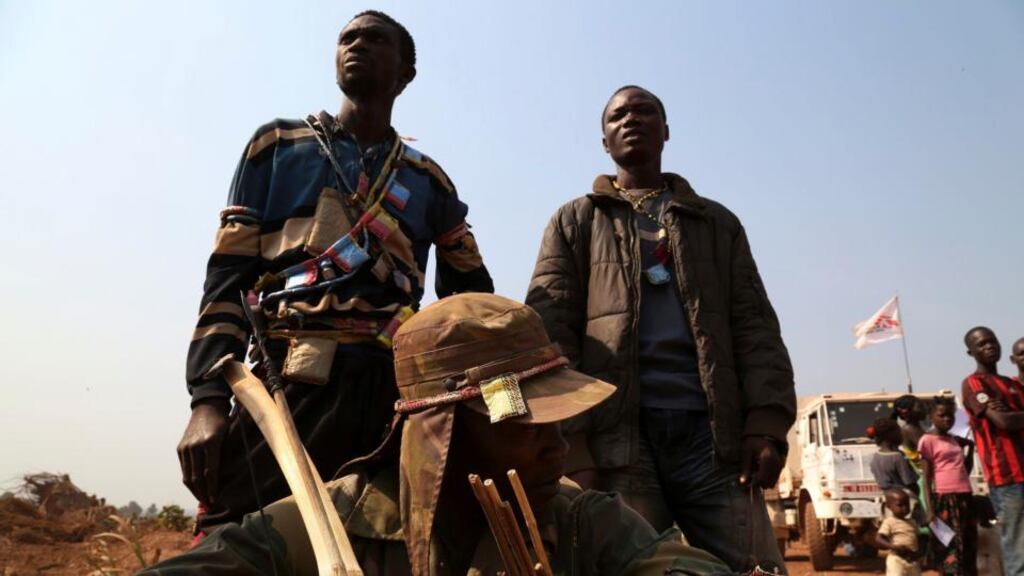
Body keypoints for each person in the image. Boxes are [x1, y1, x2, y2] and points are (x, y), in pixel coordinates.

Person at [144, 294, 740, 575]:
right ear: (441, 433)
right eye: (525, 422)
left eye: (560, 420)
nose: (558, 447)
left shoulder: (582, 522)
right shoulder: (325, 528)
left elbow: (680, 568)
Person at [177, 10, 494, 533]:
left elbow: (472, 305)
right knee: (239, 539)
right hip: (290, 379)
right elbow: (227, 280)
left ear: (405, 74)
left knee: (387, 546)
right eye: (347, 37)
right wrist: (207, 400)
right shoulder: (274, 146)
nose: (356, 45)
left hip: (392, 402)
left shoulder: (428, 180)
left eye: (374, 39)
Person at [525, 85, 795, 572]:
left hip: (715, 444)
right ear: (604, 141)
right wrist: (574, 445)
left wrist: (766, 426)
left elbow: (755, 327)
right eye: (618, 115)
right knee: (633, 569)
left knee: (758, 568)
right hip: (619, 442)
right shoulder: (574, 222)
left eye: (645, 111)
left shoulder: (716, 223)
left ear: (666, 131)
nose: (632, 119)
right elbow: (550, 339)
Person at [961, 327, 1024, 575]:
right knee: (1017, 546)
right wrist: (1007, 416)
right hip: (1007, 476)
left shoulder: (1011, 384)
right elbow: (1004, 423)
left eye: (992, 341)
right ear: (971, 352)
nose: (989, 346)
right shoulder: (974, 383)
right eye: (982, 344)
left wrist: (1011, 415)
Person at [918, 396, 977, 575]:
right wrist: (929, 509)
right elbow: (927, 478)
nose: (947, 419)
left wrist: (970, 450)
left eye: (950, 416)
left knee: (968, 545)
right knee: (950, 548)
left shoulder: (954, 439)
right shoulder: (927, 440)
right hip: (945, 497)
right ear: (931, 416)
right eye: (942, 415)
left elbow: (965, 470)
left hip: (964, 495)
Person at [876, 488, 923, 576]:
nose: (904, 508)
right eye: (900, 505)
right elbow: (879, 539)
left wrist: (919, 552)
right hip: (897, 559)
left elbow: (919, 538)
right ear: (888, 506)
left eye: (907, 504)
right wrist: (893, 547)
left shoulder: (912, 522)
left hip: (912, 559)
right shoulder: (889, 521)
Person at [870, 417, 919, 495]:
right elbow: (910, 483)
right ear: (892, 435)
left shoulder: (875, 457)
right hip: (904, 498)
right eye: (899, 432)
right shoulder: (898, 457)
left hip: (888, 499)